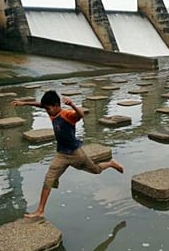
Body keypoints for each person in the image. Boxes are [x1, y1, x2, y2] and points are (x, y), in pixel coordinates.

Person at [12, 90, 124, 218]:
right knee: (49, 178)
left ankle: (111, 163)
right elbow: (40, 105)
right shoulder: (51, 111)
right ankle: (40, 211)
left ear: (56, 105)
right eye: (46, 109)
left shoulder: (67, 114)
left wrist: (72, 105)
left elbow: (81, 115)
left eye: (48, 109)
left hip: (76, 154)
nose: (47, 111)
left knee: (96, 170)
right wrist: (24, 103)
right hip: (61, 154)